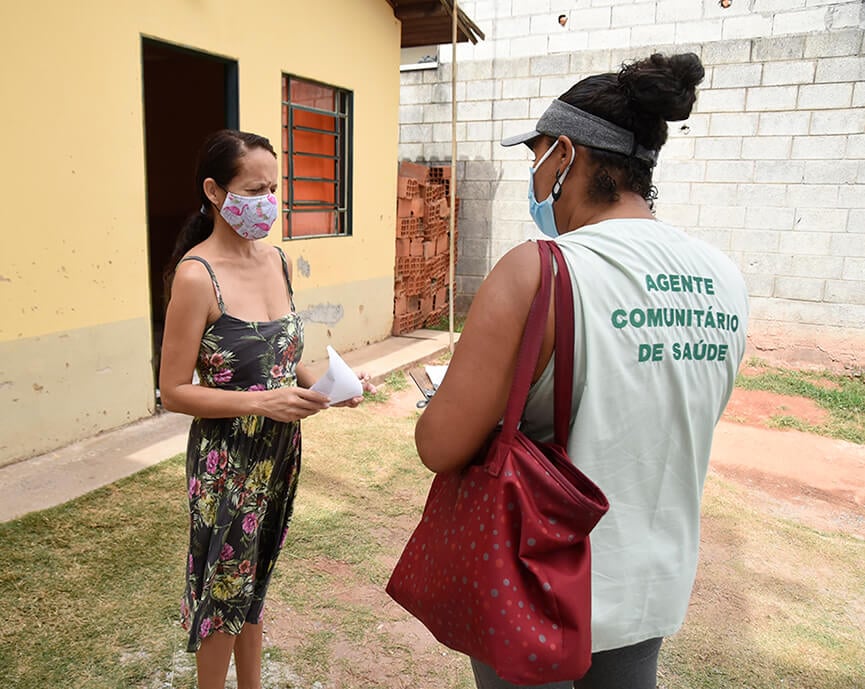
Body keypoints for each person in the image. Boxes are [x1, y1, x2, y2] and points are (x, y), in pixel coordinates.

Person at [414, 53, 749, 689]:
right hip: (649, 584)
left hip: (536, 579)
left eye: (535, 158)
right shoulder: (724, 277)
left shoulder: (538, 270)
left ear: (565, 155)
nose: (535, 179)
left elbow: (439, 445)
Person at [159, 129, 374, 689]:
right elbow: (174, 390)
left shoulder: (277, 261)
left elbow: (285, 361)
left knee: (253, 586)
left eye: (274, 189)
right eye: (255, 189)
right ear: (214, 191)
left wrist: (331, 385)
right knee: (223, 591)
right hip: (227, 462)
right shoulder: (195, 276)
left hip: (279, 453)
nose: (268, 202)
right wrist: (263, 401)